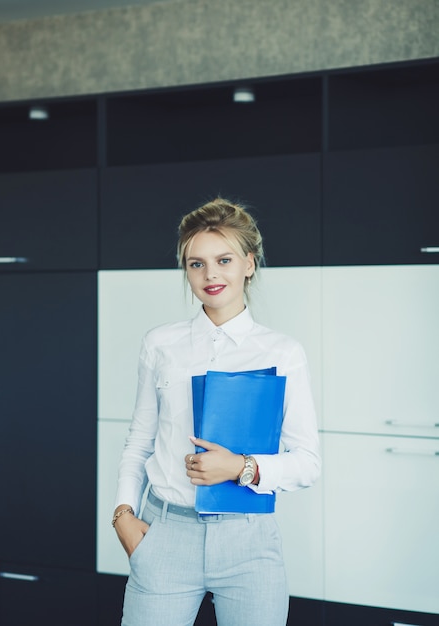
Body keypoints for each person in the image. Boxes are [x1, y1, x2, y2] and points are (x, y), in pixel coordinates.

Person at [112, 198, 321, 626]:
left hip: (248, 541)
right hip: (166, 532)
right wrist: (123, 516)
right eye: (195, 264)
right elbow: (139, 440)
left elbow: (307, 464)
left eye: (223, 260)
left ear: (248, 263)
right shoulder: (160, 344)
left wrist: (240, 467)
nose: (210, 275)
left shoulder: (283, 353)